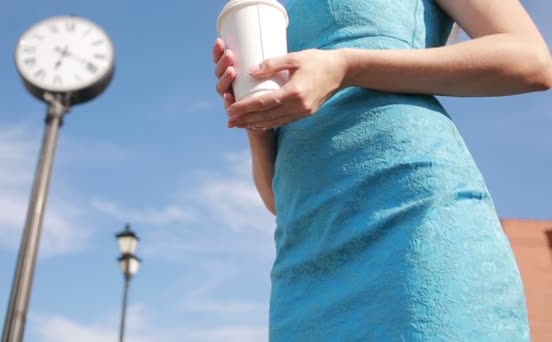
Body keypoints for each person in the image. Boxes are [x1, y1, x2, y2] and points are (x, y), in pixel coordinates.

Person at [212, 0, 551, 340]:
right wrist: (256, 121)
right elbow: (276, 198)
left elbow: (530, 58)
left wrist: (348, 66)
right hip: (303, 254)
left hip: (409, 217)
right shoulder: (276, 11)